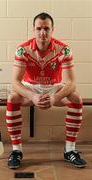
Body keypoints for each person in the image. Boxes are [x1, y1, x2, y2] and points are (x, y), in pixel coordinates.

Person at [5, 12, 86, 169]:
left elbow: (71, 82)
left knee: (76, 97)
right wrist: (33, 96)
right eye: (39, 28)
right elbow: (15, 82)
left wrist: (55, 98)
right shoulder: (22, 50)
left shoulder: (64, 50)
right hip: (30, 87)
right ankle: (16, 151)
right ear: (33, 30)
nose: (43, 33)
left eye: (46, 29)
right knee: (12, 97)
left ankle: (70, 149)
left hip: (53, 88)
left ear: (52, 29)